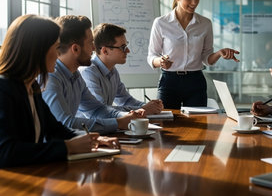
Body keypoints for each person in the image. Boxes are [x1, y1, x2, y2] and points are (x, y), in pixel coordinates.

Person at [0, 15, 119, 168]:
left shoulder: (32, 88)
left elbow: (56, 130)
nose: (59, 54)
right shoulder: (4, 89)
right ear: (38, 50)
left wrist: (90, 139)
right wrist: (68, 147)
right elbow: (5, 152)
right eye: (56, 47)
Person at [147, 0, 240, 109]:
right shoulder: (161, 23)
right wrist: (160, 61)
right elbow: (151, 55)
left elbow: (207, 59)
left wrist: (219, 53)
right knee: (166, 124)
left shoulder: (205, 24)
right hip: (169, 82)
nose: (194, 2)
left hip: (195, 82)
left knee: (199, 125)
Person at [42, 15, 144, 135]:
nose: (95, 48)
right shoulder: (51, 77)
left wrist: (126, 116)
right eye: (91, 43)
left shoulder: (75, 75)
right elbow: (66, 123)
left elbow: (97, 109)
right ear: (75, 49)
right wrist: (118, 123)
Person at [80, 23, 164, 115]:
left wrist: (150, 106)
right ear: (105, 51)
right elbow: (101, 111)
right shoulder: (88, 72)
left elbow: (126, 100)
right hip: (85, 128)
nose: (128, 51)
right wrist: (142, 109)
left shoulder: (112, 71)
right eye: (122, 47)